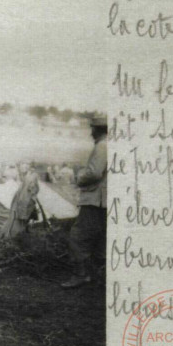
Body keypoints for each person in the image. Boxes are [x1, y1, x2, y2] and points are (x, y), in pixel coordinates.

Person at [61, 115, 108, 288]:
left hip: (95, 199)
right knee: (102, 238)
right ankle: (98, 275)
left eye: (92, 128)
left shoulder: (102, 145)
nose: (90, 132)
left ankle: (81, 275)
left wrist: (79, 177)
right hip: (106, 201)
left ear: (98, 129)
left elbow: (94, 173)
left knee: (78, 237)